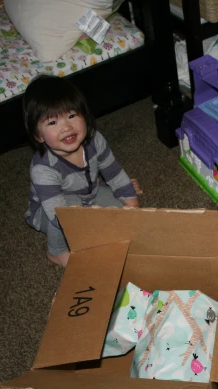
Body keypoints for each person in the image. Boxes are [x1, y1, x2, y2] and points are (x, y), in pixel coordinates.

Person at [22, 74, 142, 267]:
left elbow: (114, 172)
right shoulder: (43, 168)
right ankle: (56, 252)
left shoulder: (95, 139)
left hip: (90, 194)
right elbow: (59, 216)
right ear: (38, 136)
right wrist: (96, 228)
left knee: (124, 213)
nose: (66, 127)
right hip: (51, 213)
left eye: (71, 116)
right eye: (52, 122)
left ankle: (95, 209)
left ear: (84, 116)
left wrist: (132, 207)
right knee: (67, 212)